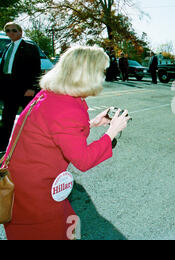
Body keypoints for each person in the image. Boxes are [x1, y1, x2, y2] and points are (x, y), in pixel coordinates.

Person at [3, 46, 130, 240]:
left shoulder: (51, 95)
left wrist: (92, 123)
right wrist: (111, 133)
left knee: (68, 223)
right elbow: (83, 160)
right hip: (34, 196)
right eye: (100, 71)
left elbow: (57, 133)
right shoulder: (68, 108)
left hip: (21, 184)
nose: (103, 76)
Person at [0, 22, 41, 152]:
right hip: (8, 88)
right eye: (7, 31)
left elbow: (36, 69)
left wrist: (33, 88)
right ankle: (3, 148)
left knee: (29, 120)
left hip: (24, 89)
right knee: (6, 119)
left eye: (13, 30)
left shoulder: (30, 47)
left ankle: (34, 146)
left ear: (20, 32)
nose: (10, 33)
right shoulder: (7, 47)